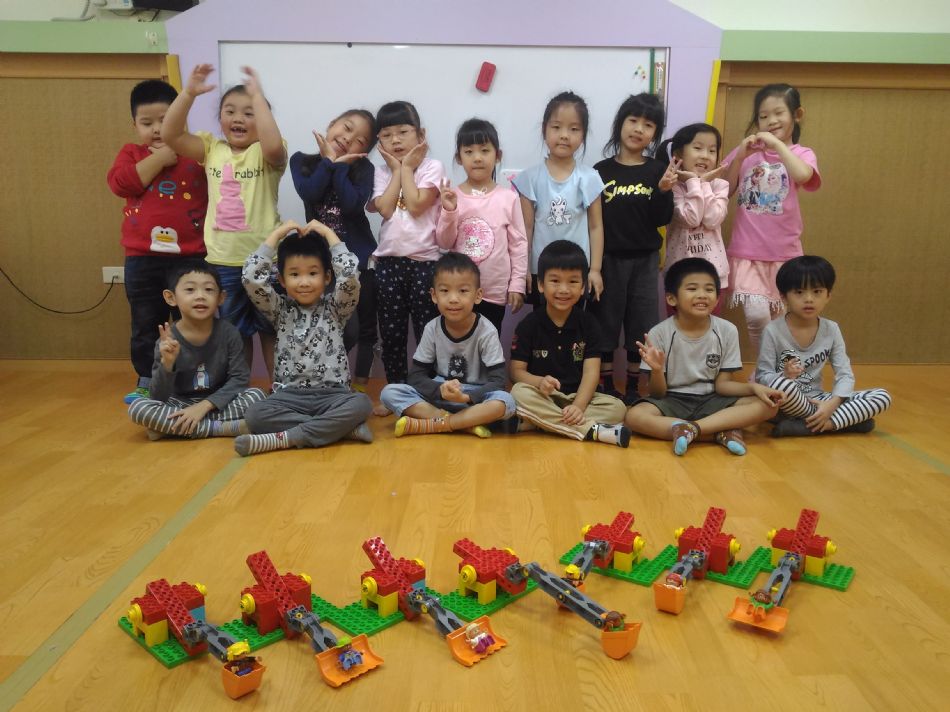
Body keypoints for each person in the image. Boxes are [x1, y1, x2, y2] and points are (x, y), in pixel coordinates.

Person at [161, 63, 287, 377]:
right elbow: (170, 134)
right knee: (234, 331)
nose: (238, 118)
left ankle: (278, 390)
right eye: (230, 111)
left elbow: (273, 145)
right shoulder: (211, 149)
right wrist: (188, 93)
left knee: (270, 329)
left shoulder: (267, 153)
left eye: (249, 113)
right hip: (222, 261)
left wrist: (259, 98)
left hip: (265, 260)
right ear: (220, 119)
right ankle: (239, 389)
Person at [107, 79, 209, 404]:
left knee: (193, 320)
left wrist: (175, 150)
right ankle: (147, 379)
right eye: (146, 122)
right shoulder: (132, 153)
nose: (156, 129)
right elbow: (120, 183)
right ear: (134, 125)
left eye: (164, 121)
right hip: (142, 258)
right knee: (146, 322)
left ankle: (191, 379)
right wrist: (161, 158)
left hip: (191, 256)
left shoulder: (197, 154)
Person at [235, 220, 372, 456]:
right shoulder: (279, 310)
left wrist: (328, 233)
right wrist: (277, 234)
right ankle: (339, 429)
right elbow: (251, 278)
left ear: (327, 277)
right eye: (295, 274)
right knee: (255, 414)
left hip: (333, 396)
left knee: (362, 404)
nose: (304, 282)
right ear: (282, 280)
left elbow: (350, 276)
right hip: (289, 397)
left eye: (313, 273)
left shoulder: (336, 309)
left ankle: (288, 437)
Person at [624, 257, 785, 456]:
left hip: (713, 400)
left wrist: (754, 387)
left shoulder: (727, 330)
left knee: (768, 406)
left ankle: (691, 430)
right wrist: (657, 371)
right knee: (634, 416)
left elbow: (723, 386)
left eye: (709, 290)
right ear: (672, 298)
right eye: (692, 289)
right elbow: (658, 393)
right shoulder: (659, 333)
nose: (702, 295)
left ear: (717, 299)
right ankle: (719, 431)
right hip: (672, 400)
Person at [723, 83, 821, 359]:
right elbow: (724, 190)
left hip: (784, 253)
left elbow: (803, 176)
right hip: (747, 252)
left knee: (781, 320)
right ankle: (767, 366)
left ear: (797, 115)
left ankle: (779, 370)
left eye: (779, 113)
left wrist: (777, 145)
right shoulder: (747, 153)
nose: (771, 121)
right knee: (756, 315)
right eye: (763, 116)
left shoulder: (802, 153)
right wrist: (740, 155)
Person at [590, 93, 676, 403]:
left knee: (642, 324)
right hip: (608, 259)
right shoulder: (599, 171)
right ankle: (606, 386)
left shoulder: (657, 170)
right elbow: (593, 222)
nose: (639, 129)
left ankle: (633, 387)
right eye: (633, 120)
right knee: (605, 322)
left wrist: (663, 191)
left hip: (645, 260)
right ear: (620, 124)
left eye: (648, 125)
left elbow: (662, 218)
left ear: (655, 134)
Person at [289, 108, 380, 394]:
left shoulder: (364, 170)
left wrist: (340, 166)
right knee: (337, 326)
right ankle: (327, 378)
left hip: (360, 261)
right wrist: (329, 161)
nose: (349, 138)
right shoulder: (301, 161)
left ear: (364, 152)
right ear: (332, 124)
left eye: (360, 140)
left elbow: (352, 205)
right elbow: (310, 192)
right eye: (347, 128)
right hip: (323, 266)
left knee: (365, 328)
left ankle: (361, 387)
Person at [379, 252, 516, 437]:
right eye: (445, 291)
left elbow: (498, 382)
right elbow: (416, 377)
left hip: (475, 398)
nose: (453, 299)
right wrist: (440, 390)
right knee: (389, 392)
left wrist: (467, 397)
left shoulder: (486, 330)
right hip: (441, 395)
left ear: (478, 295)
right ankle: (464, 423)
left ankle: (437, 424)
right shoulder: (432, 328)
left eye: (463, 291)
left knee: (505, 402)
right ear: (434, 295)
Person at [509, 241, 630, 447]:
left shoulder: (589, 324)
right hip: (544, 396)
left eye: (573, 282)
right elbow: (516, 372)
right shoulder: (529, 325)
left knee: (618, 408)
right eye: (555, 281)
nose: (564, 289)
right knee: (518, 393)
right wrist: (539, 382)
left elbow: (591, 373)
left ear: (583, 287)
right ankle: (590, 431)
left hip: (579, 397)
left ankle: (540, 422)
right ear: (541, 285)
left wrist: (578, 407)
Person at [755, 255, 892, 436]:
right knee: (782, 385)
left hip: (819, 399)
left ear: (828, 295)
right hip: (786, 401)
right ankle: (844, 422)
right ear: (784, 297)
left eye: (817, 291)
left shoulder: (831, 329)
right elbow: (762, 377)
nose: (809, 299)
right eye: (799, 292)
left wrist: (831, 405)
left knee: (882, 396)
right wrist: (785, 375)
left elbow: (845, 374)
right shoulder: (773, 330)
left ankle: (819, 425)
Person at [128, 262, 265, 438]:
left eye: (208, 290)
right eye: (190, 290)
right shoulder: (167, 340)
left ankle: (176, 428)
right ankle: (221, 428)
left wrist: (204, 406)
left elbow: (239, 380)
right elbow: (158, 396)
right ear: (171, 298)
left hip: (218, 402)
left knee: (257, 396)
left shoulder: (229, 333)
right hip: (179, 404)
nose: (200, 296)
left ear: (221, 298)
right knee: (139, 408)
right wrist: (167, 364)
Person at [367, 100, 445, 410]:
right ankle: (396, 394)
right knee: (392, 334)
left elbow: (415, 204)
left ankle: (430, 394)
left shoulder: (432, 167)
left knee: (428, 332)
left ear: (420, 135)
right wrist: (399, 170)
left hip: (425, 263)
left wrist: (408, 168)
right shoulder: (380, 172)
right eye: (386, 135)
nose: (395, 140)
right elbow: (386, 209)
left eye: (403, 132)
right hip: (388, 264)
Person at [512, 92, 605, 308]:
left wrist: (595, 269)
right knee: (542, 321)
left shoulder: (589, 178)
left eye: (574, 129)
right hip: (542, 271)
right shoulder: (530, 178)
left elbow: (596, 226)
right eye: (556, 127)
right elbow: (525, 229)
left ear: (583, 135)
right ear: (544, 130)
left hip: (577, 272)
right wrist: (522, 270)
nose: (564, 135)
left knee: (576, 322)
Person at [436, 118, 528, 335]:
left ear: (498, 155)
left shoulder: (508, 198)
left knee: (489, 345)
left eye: (485, 150)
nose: (477, 158)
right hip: (458, 292)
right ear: (459, 158)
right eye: (469, 152)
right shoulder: (452, 196)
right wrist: (450, 210)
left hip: (494, 291)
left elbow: (519, 245)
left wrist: (517, 284)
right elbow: (444, 243)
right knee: (457, 345)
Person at [658, 122, 729, 296]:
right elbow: (691, 219)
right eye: (698, 148)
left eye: (712, 150)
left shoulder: (720, 185)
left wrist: (703, 183)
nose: (705, 156)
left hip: (715, 275)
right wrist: (693, 182)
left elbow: (712, 220)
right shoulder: (672, 187)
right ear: (678, 154)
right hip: (679, 275)